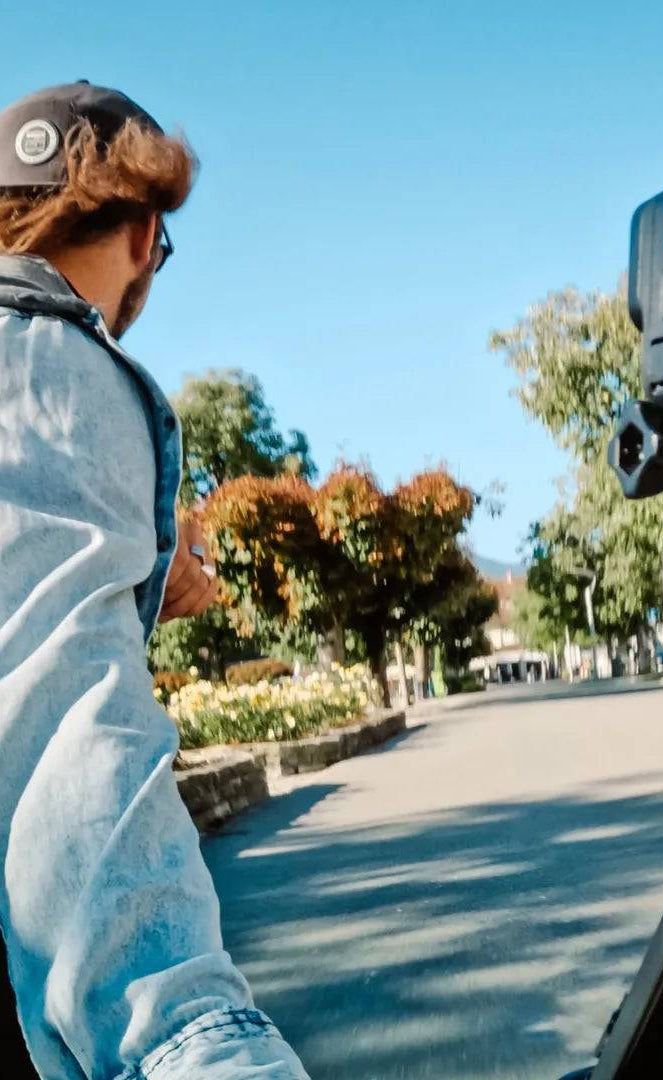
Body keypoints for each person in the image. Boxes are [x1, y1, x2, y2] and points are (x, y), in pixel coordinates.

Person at [0, 83, 309, 1078]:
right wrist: (185, 1034)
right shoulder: (48, 365)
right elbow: (57, 735)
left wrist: (130, 562)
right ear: (143, 233)